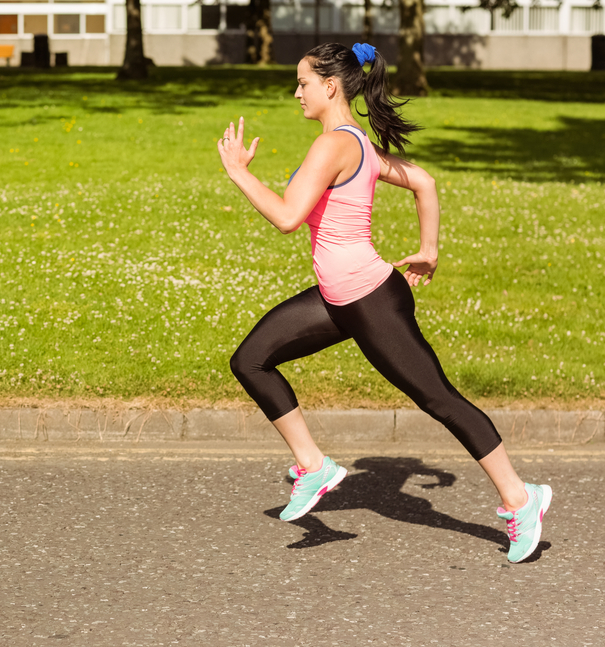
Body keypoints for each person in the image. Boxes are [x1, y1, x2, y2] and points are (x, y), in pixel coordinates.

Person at [216, 42, 551, 563]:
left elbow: (287, 216)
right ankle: (314, 465)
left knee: (439, 399)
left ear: (330, 85)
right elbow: (423, 180)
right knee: (251, 360)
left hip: (371, 300)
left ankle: (522, 499)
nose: (296, 92)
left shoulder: (333, 147)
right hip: (338, 297)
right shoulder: (357, 143)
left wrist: (239, 172)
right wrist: (429, 250)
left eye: (303, 82)